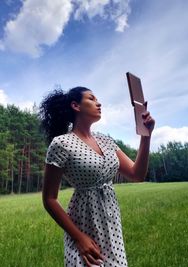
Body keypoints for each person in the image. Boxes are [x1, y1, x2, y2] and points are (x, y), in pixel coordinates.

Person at [39, 86, 155, 267]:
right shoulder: (61, 143)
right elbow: (49, 199)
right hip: (84, 225)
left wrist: (146, 136)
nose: (98, 103)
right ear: (76, 106)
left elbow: (137, 174)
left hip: (111, 224)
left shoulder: (106, 140)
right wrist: (78, 238)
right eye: (91, 99)